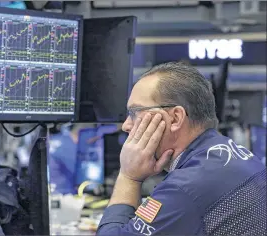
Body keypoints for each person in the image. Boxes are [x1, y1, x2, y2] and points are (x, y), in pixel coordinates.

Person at [97, 62, 266, 235]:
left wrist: (129, 177)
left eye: (135, 112)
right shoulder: (236, 154)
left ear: (175, 118)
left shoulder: (185, 187)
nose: (126, 125)